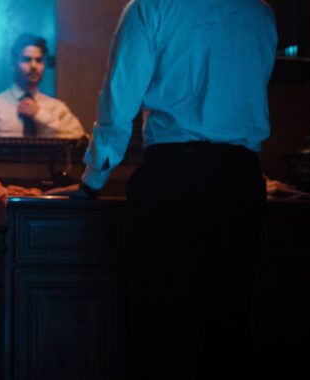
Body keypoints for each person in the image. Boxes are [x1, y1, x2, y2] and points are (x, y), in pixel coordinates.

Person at [48, 0, 276, 378]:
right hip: (241, 182)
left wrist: (92, 182)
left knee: (163, 322)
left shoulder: (152, 7)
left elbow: (120, 99)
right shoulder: (260, 12)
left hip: (174, 179)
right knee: (230, 320)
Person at [0, 34, 85, 139]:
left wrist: (39, 114)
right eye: (26, 59)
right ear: (13, 64)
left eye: (39, 60)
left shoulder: (57, 109)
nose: (34, 66)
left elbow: (80, 140)